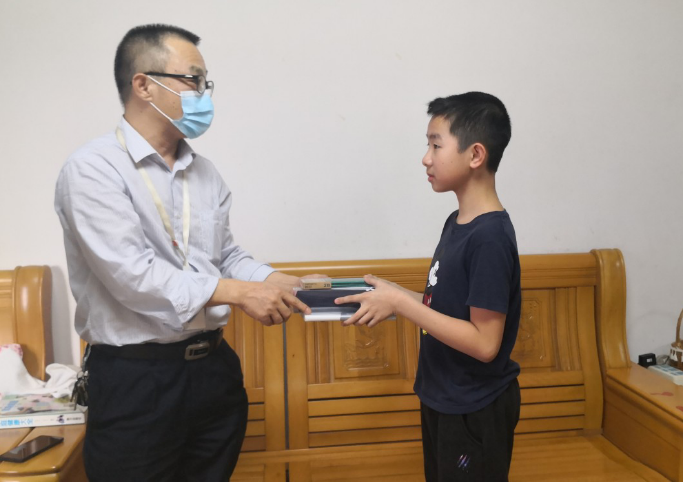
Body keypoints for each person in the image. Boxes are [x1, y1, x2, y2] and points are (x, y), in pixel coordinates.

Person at [54, 24, 312, 482]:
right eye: (193, 79)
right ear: (143, 85)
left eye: (205, 82)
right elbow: (132, 276)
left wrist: (273, 280)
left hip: (213, 372)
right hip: (137, 378)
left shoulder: (204, 172)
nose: (203, 94)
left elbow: (224, 254)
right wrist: (239, 293)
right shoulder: (93, 169)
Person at [336, 92, 521, 482]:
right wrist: (395, 294)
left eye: (436, 145)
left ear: (475, 155)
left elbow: (485, 344)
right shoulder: (458, 222)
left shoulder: (489, 238)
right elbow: (448, 308)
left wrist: (402, 305)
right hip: (445, 397)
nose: (426, 158)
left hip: (474, 407)